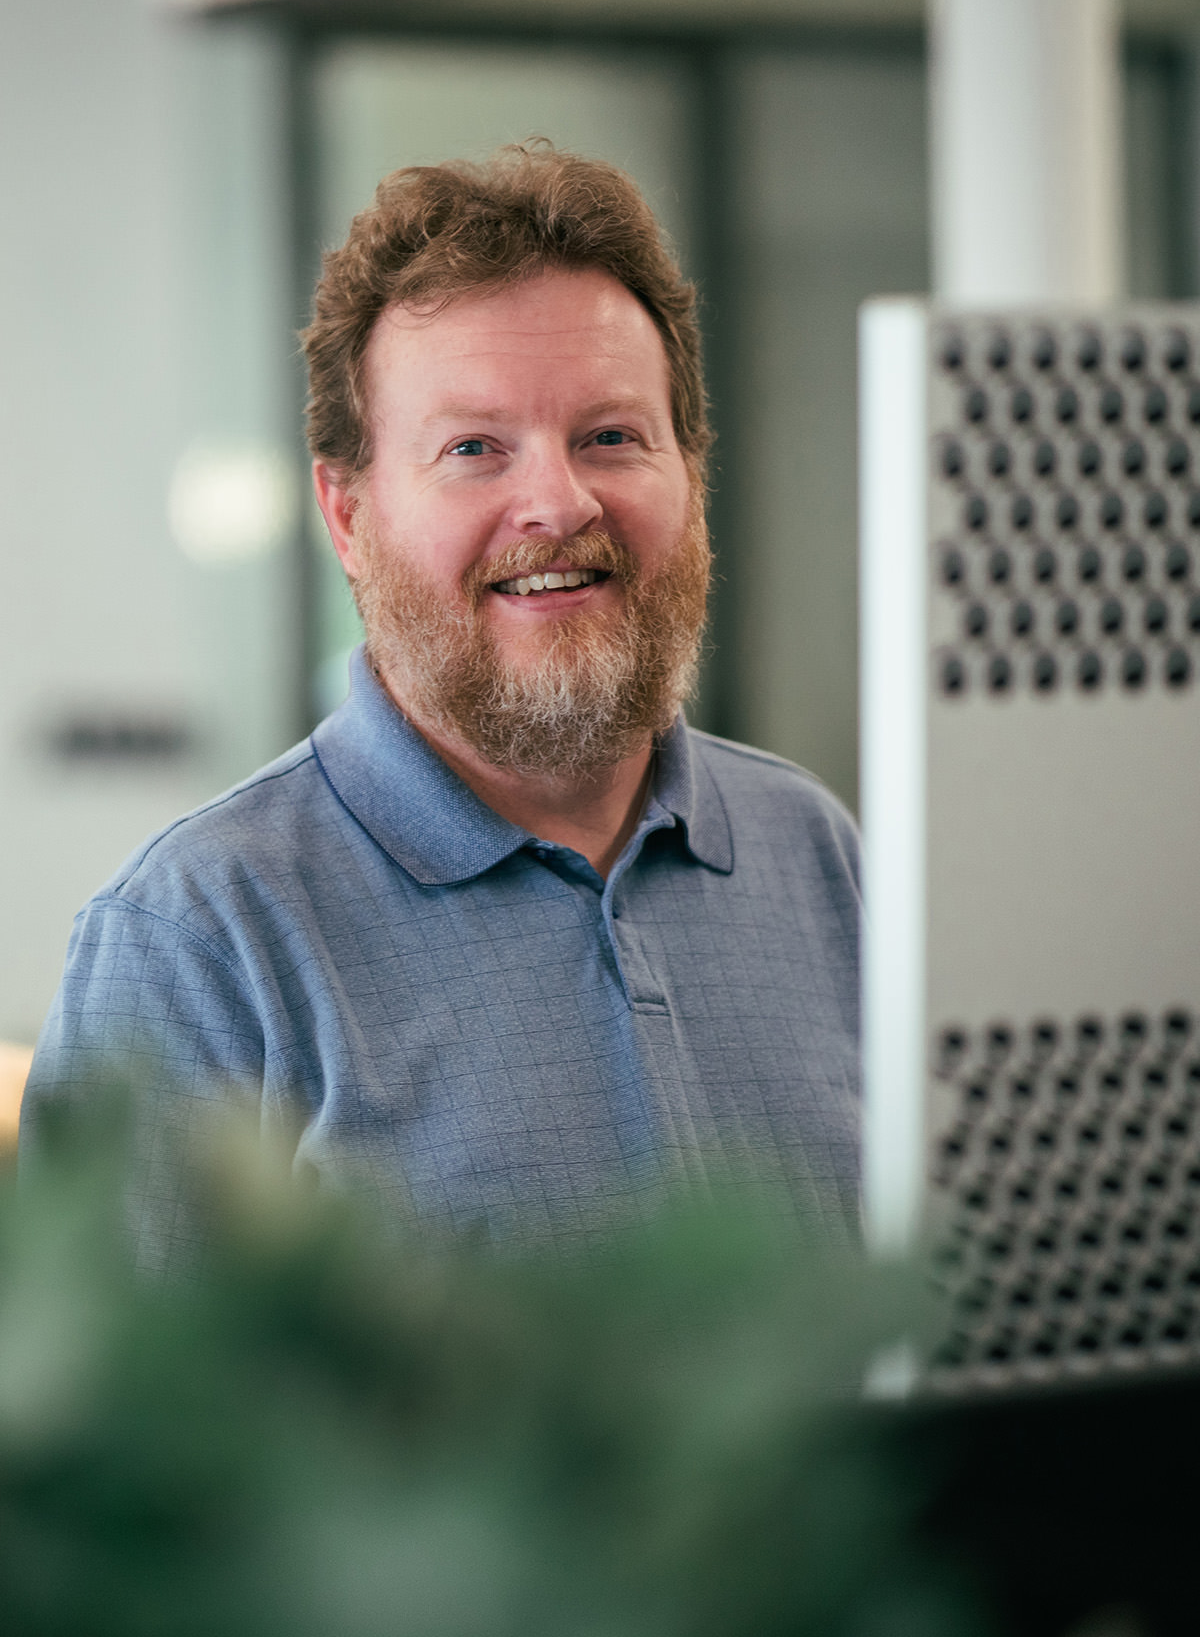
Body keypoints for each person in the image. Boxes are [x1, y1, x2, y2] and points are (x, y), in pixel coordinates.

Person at [24, 144, 860, 1258]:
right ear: (348, 516)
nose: (558, 502)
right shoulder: (196, 938)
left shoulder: (819, 857)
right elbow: (107, 1372)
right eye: (474, 448)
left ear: (691, 476)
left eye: (612, 437)